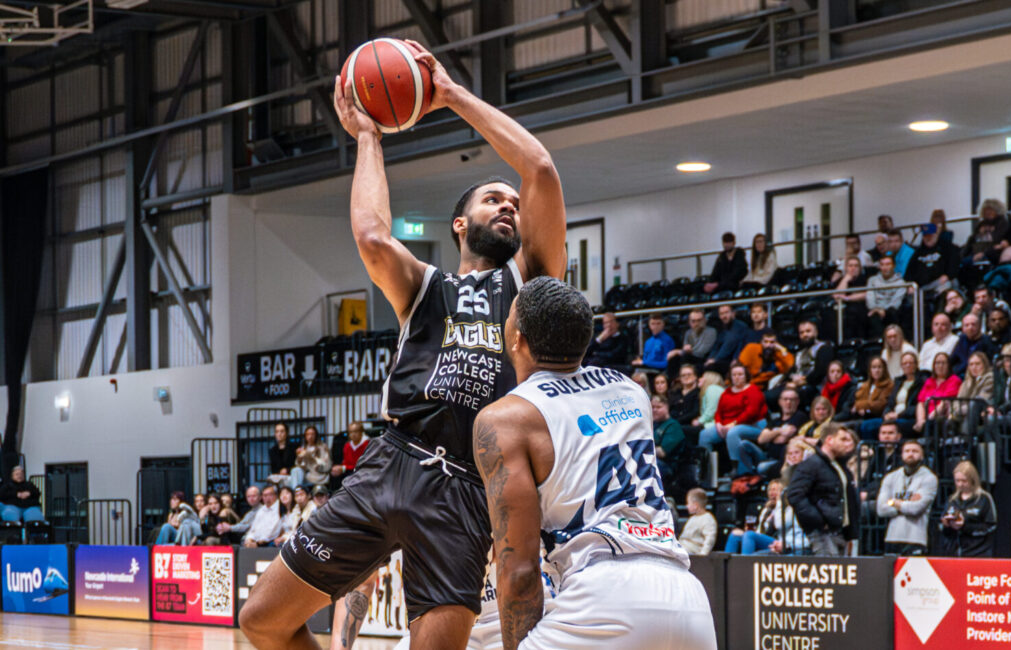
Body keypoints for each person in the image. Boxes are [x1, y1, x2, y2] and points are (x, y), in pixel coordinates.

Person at [241, 41, 569, 650]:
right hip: (392, 460)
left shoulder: (530, 281)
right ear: (459, 223)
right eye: (493, 198)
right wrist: (368, 137)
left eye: (515, 204)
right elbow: (371, 234)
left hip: (471, 486)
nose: (511, 205)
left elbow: (541, 170)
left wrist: (448, 95)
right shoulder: (426, 286)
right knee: (262, 620)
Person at [471, 277, 716, 648]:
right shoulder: (631, 391)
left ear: (516, 338)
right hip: (687, 597)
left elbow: (519, 571)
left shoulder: (506, 418)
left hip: (604, 594)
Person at [786, 425, 860, 557]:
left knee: (838, 575)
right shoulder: (811, 464)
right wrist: (819, 521)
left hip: (839, 531)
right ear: (829, 440)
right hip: (823, 532)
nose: (847, 444)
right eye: (842, 439)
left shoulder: (839, 466)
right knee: (829, 573)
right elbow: (794, 494)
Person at [699, 363, 767, 475]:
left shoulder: (753, 390)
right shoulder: (726, 392)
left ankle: (738, 468)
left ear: (746, 376)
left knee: (733, 432)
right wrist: (719, 424)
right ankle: (708, 472)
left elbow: (751, 412)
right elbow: (718, 412)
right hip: (726, 425)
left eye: (740, 374)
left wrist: (733, 424)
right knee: (704, 435)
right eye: (734, 375)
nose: (737, 377)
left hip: (752, 425)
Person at [876, 439, 938, 555]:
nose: (910, 454)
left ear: (922, 456)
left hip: (916, 538)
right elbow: (881, 509)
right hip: (892, 537)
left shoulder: (929, 478)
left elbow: (916, 509)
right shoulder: (890, 477)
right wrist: (907, 503)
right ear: (902, 455)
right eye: (907, 451)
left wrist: (893, 502)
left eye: (915, 451)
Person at [739, 388, 809, 476]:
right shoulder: (775, 421)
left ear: (797, 401)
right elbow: (761, 439)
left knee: (762, 467)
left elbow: (782, 439)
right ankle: (746, 476)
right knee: (743, 445)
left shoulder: (799, 416)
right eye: (785, 399)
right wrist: (780, 431)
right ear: (780, 402)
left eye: (792, 400)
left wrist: (771, 436)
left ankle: (757, 477)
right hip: (767, 456)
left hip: (781, 460)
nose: (788, 402)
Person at [938, 460, 997, 557]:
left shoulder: (984, 498)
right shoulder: (952, 500)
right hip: (954, 552)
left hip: (978, 552)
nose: (960, 484)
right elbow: (943, 526)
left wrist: (964, 526)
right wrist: (946, 524)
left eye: (964, 481)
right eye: (957, 481)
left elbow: (991, 526)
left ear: (972, 480)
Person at [777, 320, 834, 409]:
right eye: (801, 332)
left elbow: (820, 372)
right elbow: (792, 371)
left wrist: (803, 381)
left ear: (816, 332)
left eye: (808, 331)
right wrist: (789, 381)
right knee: (770, 394)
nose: (805, 335)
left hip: (815, 386)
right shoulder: (800, 353)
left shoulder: (824, 348)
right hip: (797, 384)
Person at [864, 352, 922, 439]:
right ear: (901, 366)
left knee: (896, 427)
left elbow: (917, 406)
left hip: (907, 418)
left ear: (916, 364)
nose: (908, 365)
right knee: (866, 425)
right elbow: (890, 402)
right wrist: (886, 414)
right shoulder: (898, 382)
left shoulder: (921, 382)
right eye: (905, 363)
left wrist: (899, 415)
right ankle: (870, 451)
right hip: (892, 417)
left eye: (910, 363)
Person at [724, 479, 785, 554]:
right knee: (735, 535)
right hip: (761, 537)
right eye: (770, 490)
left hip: (776, 541)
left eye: (775, 490)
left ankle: (746, 563)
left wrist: (779, 501)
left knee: (749, 535)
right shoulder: (766, 509)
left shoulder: (784, 508)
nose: (772, 492)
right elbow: (760, 529)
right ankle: (726, 564)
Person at [906, 223, 959, 301]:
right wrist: (910, 285)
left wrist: (947, 275)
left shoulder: (946, 247)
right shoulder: (918, 253)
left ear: (936, 234)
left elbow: (954, 265)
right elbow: (909, 272)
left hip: (940, 282)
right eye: (925, 236)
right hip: (922, 286)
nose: (928, 238)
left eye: (930, 236)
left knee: (947, 286)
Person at [859, 422, 903, 513]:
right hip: (870, 494)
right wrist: (861, 491)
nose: (886, 436)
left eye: (890, 433)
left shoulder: (902, 456)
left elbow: (893, 485)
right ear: (879, 436)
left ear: (898, 436)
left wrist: (868, 495)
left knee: (862, 508)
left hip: (889, 498)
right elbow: (866, 479)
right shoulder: (878, 454)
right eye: (883, 433)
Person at [914, 352, 961, 435]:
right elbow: (921, 402)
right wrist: (920, 420)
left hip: (941, 416)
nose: (940, 366)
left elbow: (944, 402)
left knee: (931, 425)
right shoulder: (929, 381)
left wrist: (928, 419)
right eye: (937, 363)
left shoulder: (954, 380)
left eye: (943, 363)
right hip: (926, 417)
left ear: (949, 365)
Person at [651, 394, 688, 490]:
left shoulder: (673, 426)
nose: (654, 410)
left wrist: (644, 448)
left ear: (666, 407)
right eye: (652, 407)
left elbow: (662, 452)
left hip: (669, 467)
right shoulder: (652, 425)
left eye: (658, 407)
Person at [951, 351, 993, 433]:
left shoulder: (990, 379)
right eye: (971, 364)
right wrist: (957, 411)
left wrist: (958, 411)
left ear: (984, 365)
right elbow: (956, 403)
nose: (974, 367)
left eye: (977, 364)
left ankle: (968, 441)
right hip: (964, 415)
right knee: (946, 421)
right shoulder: (966, 382)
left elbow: (979, 402)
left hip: (980, 416)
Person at [833, 256, 872, 339]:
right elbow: (836, 296)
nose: (853, 268)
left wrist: (847, 298)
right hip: (844, 311)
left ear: (860, 268)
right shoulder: (841, 280)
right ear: (846, 268)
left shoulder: (865, 280)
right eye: (850, 266)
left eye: (856, 266)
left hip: (861, 309)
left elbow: (866, 294)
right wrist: (846, 279)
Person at [666, 309, 716, 375]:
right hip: (690, 358)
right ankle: (674, 381)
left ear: (704, 320)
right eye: (693, 321)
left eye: (699, 320)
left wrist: (678, 351)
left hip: (704, 359)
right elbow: (685, 349)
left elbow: (702, 351)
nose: (697, 324)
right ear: (689, 322)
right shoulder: (688, 333)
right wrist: (680, 351)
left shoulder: (711, 331)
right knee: (674, 359)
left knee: (684, 357)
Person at [706, 303, 750, 375]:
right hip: (723, 359)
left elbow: (729, 345)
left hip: (734, 360)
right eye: (721, 314)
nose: (724, 316)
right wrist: (710, 358)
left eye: (726, 313)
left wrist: (715, 360)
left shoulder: (740, 326)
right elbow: (716, 346)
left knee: (711, 367)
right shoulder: (722, 328)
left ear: (733, 313)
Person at [867, 255, 907, 333]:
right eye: (882, 264)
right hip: (875, 310)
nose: (885, 267)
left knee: (892, 313)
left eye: (888, 264)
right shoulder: (872, 280)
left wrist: (883, 310)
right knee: (872, 316)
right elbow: (870, 298)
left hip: (891, 311)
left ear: (894, 266)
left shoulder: (901, 283)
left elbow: (896, 302)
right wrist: (877, 309)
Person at [950, 313, 997, 377]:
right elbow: (952, 360)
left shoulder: (987, 341)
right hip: (960, 375)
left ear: (979, 326)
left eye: (973, 324)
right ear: (962, 328)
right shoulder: (962, 339)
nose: (970, 328)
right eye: (966, 325)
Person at [850, 357, 894, 423]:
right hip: (862, 416)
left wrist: (859, 406)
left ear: (884, 369)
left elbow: (880, 404)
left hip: (877, 417)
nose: (877, 370)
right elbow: (857, 399)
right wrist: (860, 408)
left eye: (879, 367)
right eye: (874, 367)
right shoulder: (866, 385)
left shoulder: (889, 385)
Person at [678, 488, 718, 556]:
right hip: (681, 548)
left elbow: (709, 540)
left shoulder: (708, 519)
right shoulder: (692, 518)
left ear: (695, 505)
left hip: (692, 553)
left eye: (688, 503)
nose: (686, 506)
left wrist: (702, 556)